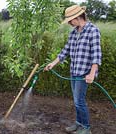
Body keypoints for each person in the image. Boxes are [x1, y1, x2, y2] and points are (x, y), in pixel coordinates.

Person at [44, 5, 102, 134]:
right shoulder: (74, 32)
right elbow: (66, 51)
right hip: (74, 72)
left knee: (79, 101)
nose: (69, 23)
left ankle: (86, 128)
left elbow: (96, 55)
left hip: (84, 73)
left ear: (77, 17)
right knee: (76, 101)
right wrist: (53, 63)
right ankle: (79, 123)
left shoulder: (93, 31)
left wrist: (92, 74)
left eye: (70, 20)